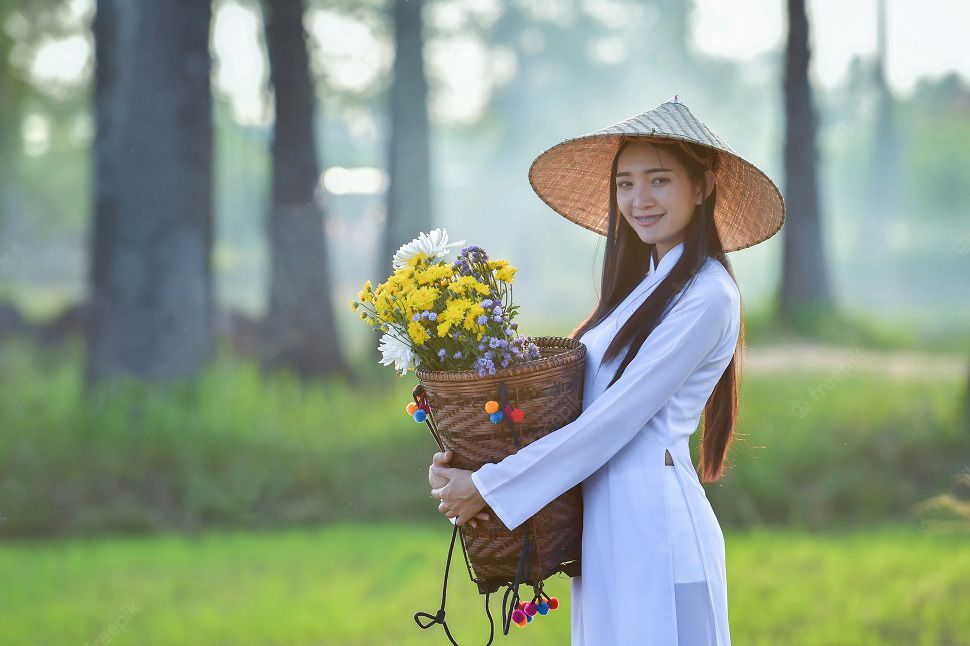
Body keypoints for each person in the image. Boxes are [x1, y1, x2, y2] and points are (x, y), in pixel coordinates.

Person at [428, 95, 785, 645]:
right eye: (625, 183)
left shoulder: (708, 294)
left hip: (656, 534)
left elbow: (614, 422)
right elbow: (577, 405)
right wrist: (474, 452)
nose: (639, 200)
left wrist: (491, 486)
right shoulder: (643, 290)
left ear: (702, 185)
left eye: (659, 180)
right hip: (608, 530)